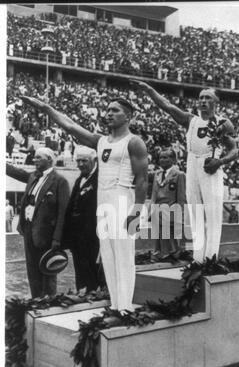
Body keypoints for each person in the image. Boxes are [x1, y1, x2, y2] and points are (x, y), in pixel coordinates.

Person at [22, 96, 148, 316]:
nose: (108, 113)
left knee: (123, 256)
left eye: (115, 110)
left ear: (128, 116)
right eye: (107, 109)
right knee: (107, 256)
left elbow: (143, 179)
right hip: (103, 201)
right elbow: (69, 125)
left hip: (122, 199)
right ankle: (116, 306)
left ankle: (126, 308)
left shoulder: (134, 142)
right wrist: (45, 107)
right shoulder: (100, 141)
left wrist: (136, 213)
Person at [131, 81, 238, 262]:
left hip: (210, 165)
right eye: (201, 97)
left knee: (212, 214)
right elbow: (167, 106)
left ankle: (211, 258)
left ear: (216, 102)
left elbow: (234, 150)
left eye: (208, 98)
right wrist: (149, 90)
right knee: (195, 212)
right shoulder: (191, 120)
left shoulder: (223, 123)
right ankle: (198, 258)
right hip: (192, 163)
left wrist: (220, 161)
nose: (203, 101)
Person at [6, 147, 70, 298]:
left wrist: (57, 238)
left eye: (38, 158)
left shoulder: (60, 181)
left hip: (47, 235)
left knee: (48, 271)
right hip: (29, 231)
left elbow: (63, 213)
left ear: (49, 159)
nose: (34, 160)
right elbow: (15, 172)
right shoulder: (33, 177)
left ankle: (48, 304)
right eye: (34, 158)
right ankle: (36, 300)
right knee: (32, 271)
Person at [62, 145, 106, 292]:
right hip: (77, 239)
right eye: (78, 161)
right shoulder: (79, 179)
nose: (80, 164)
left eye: (84, 161)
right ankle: (82, 296)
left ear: (94, 160)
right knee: (80, 273)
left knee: (93, 273)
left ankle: (93, 300)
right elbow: (70, 209)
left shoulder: (101, 179)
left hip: (93, 238)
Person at [150, 147, 186, 258]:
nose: (162, 160)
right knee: (159, 235)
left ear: (173, 159)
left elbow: (181, 197)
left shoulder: (179, 175)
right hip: (158, 210)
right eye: (160, 158)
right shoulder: (157, 174)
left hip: (171, 210)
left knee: (170, 235)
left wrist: (180, 214)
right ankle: (159, 253)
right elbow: (154, 194)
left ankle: (172, 253)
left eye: (165, 157)